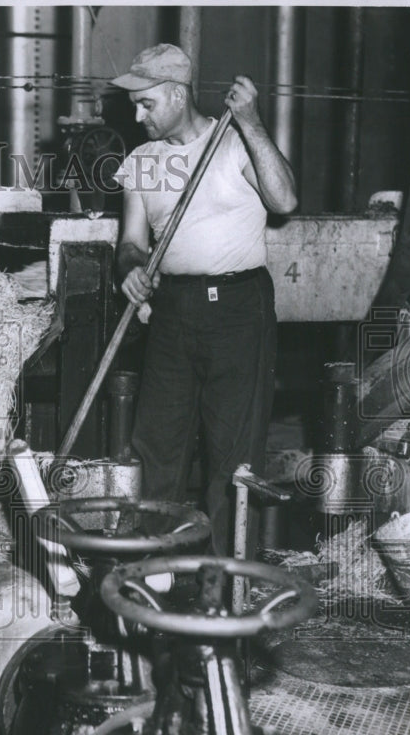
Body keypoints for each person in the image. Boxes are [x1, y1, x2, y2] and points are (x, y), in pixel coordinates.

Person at [110, 43, 297, 557]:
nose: (137, 114)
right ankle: (153, 576)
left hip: (240, 309)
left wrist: (252, 122)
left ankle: (224, 588)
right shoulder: (144, 163)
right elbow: (131, 244)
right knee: (157, 448)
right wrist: (129, 270)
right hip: (173, 311)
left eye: (146, 103)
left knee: (233, 457)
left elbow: (285, 200)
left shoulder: (232, 142)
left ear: (177, 95)